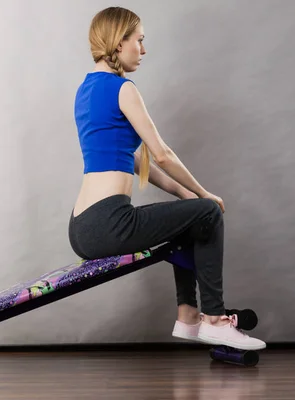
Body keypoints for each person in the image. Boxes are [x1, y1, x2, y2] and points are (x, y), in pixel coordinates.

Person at [68, 6, 265, 350]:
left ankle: (189, 316)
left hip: (81, 226)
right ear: (119, 42)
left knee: (191, 215)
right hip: (109, 222)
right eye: (139, 41)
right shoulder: (123, 88)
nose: (143, 50)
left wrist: (186, 195)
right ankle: (216, 320)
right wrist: (204, 195)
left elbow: (130, 159)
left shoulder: (85, 90)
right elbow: (161, 153)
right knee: (207, 213)